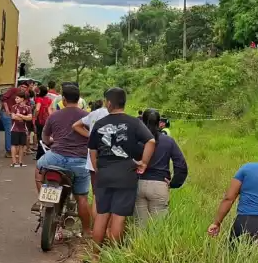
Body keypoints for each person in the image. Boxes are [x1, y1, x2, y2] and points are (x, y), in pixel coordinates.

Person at [88, 87, 155, 245]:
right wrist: (143, 163)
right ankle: (113, 254)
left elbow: (92, 150)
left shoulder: (100, 123)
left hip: (104, 174)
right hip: (126, 174)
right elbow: (151, 141)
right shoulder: (134, 123)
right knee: (118, 217)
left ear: (109, 103)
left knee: (102, 215)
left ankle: (96, 256)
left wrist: (97, 169)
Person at [37, 85, 92, 236]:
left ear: (64, 99)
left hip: (55, 157)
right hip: (79, 161)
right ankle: (87, 231)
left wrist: (50, 142)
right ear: (79, 98)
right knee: (82, 197)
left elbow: (45, 138)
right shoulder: (87, 116)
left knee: (39, 167)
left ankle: (41, 198)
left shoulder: (54, 115)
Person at [135, 109, 188, 224]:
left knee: (140, 226)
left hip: (138, 183)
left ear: (142, 122)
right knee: (158, 227)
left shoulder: (137, 140)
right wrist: (174, 183)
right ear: (159, 123)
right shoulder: (168, 141)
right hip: (159, 184)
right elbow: (181, 165)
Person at [72, 96, 110, 221]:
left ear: (106, 101)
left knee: (96, 196)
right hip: (113, 161)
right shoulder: (120, 116)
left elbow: (76, 125)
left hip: (93, 160)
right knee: (112, 198)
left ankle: (97, 227)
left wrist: (91, 136)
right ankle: (108, 231)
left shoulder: (95, 113)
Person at [1, 81, 30, 153]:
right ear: (19, 86)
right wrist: (7, 110)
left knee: (15, 132)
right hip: (7, 113)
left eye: (25, 87)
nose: (23, 88)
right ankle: (9, 151)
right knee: (9, 131)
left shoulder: (26, 94)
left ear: (27, 89)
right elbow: (4, 98)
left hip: (17, 115)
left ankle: (14, 150)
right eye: (22, 86)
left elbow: (27, 104)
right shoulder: (13, 90)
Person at [10, 93, 33, 167]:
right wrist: (24, 117)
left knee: (22, 146)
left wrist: (20, 115)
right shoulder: (14, 107)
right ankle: (14, 162)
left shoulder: (28, 108)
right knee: (14, 145)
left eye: (17, 98)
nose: (16, 99)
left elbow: (30, 118)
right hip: (15, 128)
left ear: (22, 99)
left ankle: (20, 162)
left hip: (23, 129)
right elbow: (13, 117)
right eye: (15, 98)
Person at [33, 84, 52, 161]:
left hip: (40, 121)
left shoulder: (39, 99)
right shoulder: (49, 100)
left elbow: (37, 109)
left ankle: (39, 155)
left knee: (40, 138)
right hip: (46, 120)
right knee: (46, 137)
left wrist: (34, 117)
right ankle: (45, 154)